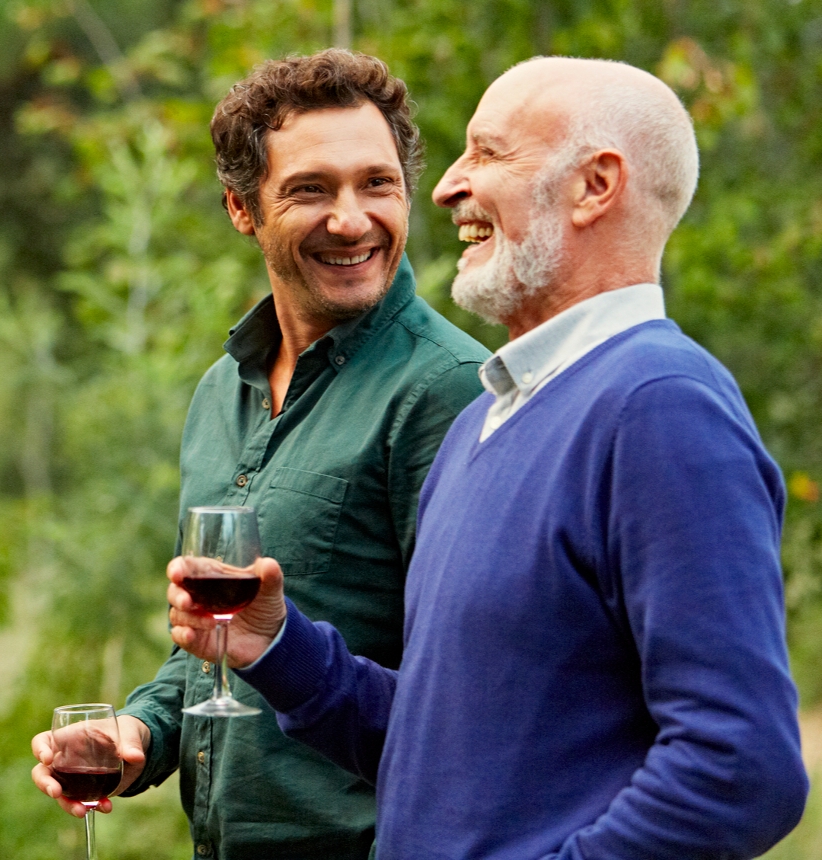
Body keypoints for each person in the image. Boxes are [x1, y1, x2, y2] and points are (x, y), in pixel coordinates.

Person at [167, 56, 809, 859]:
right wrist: (278, 650)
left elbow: (742, 768)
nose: (442, 189)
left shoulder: (660, 405)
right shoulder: (492, 419)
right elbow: (442, 754)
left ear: (595, 186)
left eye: (490, 153)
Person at [32, 49, 490, 859]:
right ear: (242, 210)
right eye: (310, 190)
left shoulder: (445, 391)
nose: (352, 220)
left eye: (377, 184)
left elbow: (470, 709)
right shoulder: (222, 390)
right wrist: (141, 729)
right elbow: (214, 645)